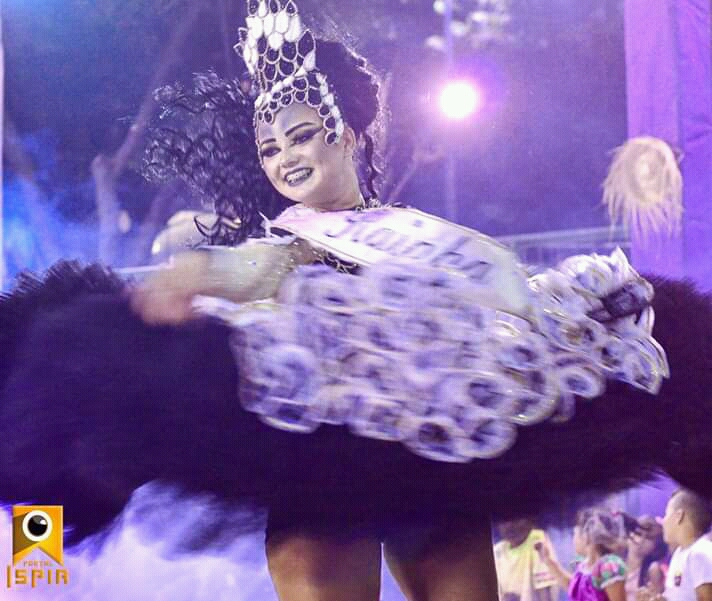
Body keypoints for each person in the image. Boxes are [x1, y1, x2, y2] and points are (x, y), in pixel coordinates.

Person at [3, 1, 712, 600]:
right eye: (270, 148)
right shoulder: (278, 246)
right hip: (321, 465)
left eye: (301, 136)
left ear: (343, 134)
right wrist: (198, 274)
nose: (286, 158)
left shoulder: (423, 235)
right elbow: (261, 267)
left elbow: (506, 293)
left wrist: (544, 345)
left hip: (434, 460)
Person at [536, 508, 627, 601]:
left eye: (575, 534)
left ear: (587, 537)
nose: (573, 540)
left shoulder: (608, 567)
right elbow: (573, 588)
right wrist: (548, 561)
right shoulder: (584, 565)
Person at [658, 489, 712, 601]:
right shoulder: (679, 553)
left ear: (679, 516)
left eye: (666, 514)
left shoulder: (700, 553)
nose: (663, 521)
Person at [494, 518, 559, 601]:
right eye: (504, 521)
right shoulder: (498, 550)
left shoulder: (537, 541)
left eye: (515, 519)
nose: (509, 525)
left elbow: (546, 596)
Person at [625, 515, 668, 601]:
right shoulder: (615, 562)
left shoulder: (653, 569)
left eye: (648, 538)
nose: (641, 540)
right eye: (638, 533)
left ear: (655, 546)